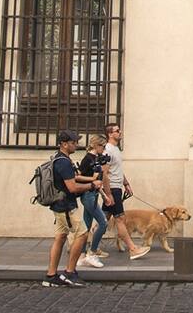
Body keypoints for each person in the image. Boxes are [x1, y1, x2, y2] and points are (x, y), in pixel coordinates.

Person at [43, 129, 104, 287]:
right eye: (73, 142)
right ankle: (70, 272)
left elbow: (74, 177)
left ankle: (50, 276)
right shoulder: (63, 162)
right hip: (66, 206)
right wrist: (91, 185)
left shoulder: (60, 158)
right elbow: (72, 187)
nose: (76, 145)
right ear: (64, 144)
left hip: (58, 206)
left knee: (61, 237)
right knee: (82, 234)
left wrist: (91, 179)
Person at [102, 122, 150, 260]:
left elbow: (117, 170)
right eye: (117, 131)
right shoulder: (108, 150)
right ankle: (133, 249)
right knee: (120, 219)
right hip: (112, 188)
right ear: (110, 134)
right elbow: (105, 173)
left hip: (117, 186)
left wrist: (126, 183)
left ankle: (89, 246)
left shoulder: (116, 150)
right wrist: (109, 193)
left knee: (102, 220)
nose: (120, 132)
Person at [77, 135, 111, 267]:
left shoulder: (96, 159)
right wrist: (92, 179)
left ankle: (81, 256)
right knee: (103, 223)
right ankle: (92, 253)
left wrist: (104, 195)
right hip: (88, 195)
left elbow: (98, 182)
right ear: (97, 146)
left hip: (94, 194)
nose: (104, 149)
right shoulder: (87, 159)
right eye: (103, 146)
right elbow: (78, 176)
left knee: (86, 226)